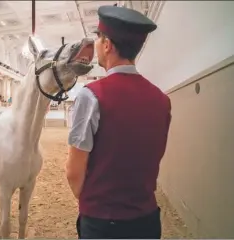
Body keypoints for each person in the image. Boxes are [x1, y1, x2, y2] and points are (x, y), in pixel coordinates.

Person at [65, 5, 172, 239]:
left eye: (98, 37)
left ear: (107, 45)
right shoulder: (162, 100)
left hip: (103, 223)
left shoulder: (91, 95)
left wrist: (96, 204)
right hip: (147, 220)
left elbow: (74, 172)